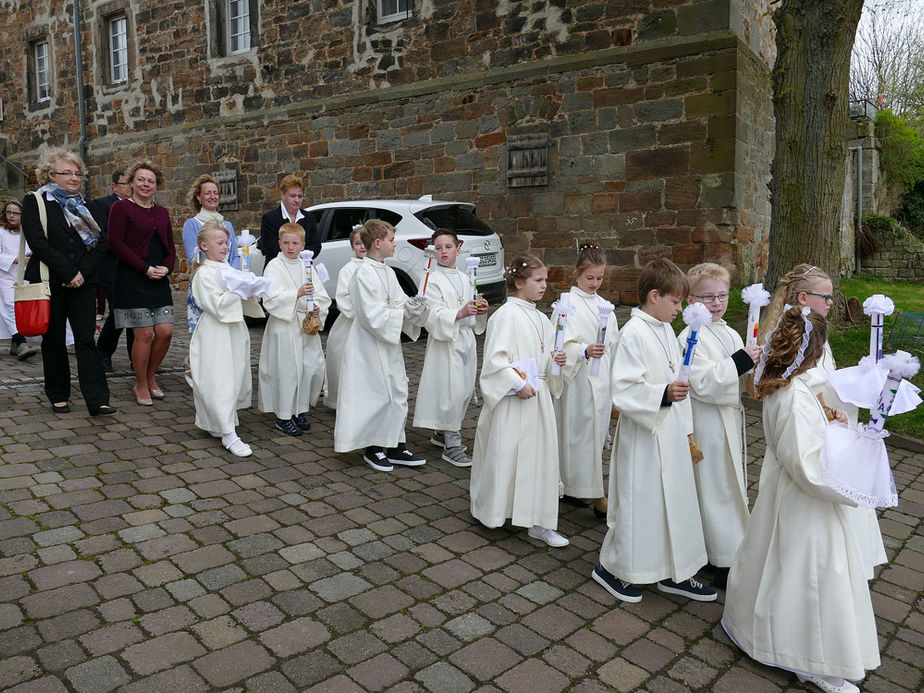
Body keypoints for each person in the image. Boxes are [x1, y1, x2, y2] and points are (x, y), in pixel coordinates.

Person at [723, 306, 878, 693]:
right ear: (815, 349)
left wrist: (832, 420)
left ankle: (762, 628)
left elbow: (810, 432)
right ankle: (810, 659)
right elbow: (807, 466)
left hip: (790, 493)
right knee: (812, 573)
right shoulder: (792, 395)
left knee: (776, 559)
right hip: (803, 499)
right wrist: (855, 482)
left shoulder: (798, 385)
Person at [592, 258, 714, 603]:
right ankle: (615, 568)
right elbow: (624, 388)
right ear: (654, 296)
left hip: (671, 433)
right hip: (644, 437)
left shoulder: (663, 329)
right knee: (640, 503)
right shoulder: (634, 333)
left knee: (673, 503)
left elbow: (680, 380)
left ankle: (673, 570)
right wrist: (661, 394)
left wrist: (687, 430)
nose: (681, 308)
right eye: (676, 302)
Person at [761, 264, 886, 580]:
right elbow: (801, 388)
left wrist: (834, 409)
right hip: (803, 444)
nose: (832, 302)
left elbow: (820, 385)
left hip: (822, 430)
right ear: (804, 297)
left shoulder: (814, 332)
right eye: (826, 297)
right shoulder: (790, 338)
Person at [469, 254, 568, 547]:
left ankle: (539, 520)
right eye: (538, 280)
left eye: (545, 280)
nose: (544, 286)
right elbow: (494, 361)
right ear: (518, 282)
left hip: (538, 401)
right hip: (513, 402)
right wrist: (517, 383)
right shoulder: (505, 316)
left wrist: (555, 360)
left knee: (539, 458)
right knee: (506, 455)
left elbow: (546, 356)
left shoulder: (541, 318)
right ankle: (494, 511)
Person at [677, 263, 760, 588]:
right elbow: (700, 380)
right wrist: (741, 361)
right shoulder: (689, 336)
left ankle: (731, 549)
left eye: (722, 295)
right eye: (707, 296)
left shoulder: (728, 331)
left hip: (727, 415)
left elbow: (737, 370)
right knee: (714, 487)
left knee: (730, 483)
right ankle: (720, 557)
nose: (716, 303)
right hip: (706, 418)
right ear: (690, 300)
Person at [20, 147, 116, 416]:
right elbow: (38, 242)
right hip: (51, 281)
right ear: (50, 174)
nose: (74, 178)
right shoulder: (36, 201)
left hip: (83, 282)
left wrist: (82, 274)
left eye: (78, 173)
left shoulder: (86, 205)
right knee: (54, 340)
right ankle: (58, 394)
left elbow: (101, 243)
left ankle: (98, 399)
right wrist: (68, 273)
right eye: (67, 173)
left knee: (86, 340)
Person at [333, 219, 429, 471]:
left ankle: (396, 444)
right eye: (391, 240)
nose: (394, 244)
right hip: (367, 345)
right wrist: (400, 314)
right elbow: (370, 314)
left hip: (388, 345)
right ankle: (373, 447)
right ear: (378, 243)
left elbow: (397, 301)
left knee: (397, 390)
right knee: (373, 394)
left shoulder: (387, 271)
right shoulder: (361, 273)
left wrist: (412, 308)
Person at [554, 241, 620, 518]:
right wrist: (582, 349)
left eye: (600, 278)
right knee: (576, 436)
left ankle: (579, 486)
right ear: (576, 274)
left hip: (601, 380)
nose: (594, 283)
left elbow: (614, 345)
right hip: (577, 380)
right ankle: (592, 493)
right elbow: (557, 343)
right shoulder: (567, 304)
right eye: (589, 277)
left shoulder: (606, 306)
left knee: (594, 437)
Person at [413, 229, 488, 468]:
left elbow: (471, 305)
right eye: (438, 247)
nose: (443, 251)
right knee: (449, 390)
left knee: (464, 389)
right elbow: (430, 312)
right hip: (446, 341)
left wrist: (479, 309)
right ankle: (451, 444)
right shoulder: (431, 279)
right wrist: (458, 313)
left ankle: (441, 432)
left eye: (447, 247)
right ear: (433, 252)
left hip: (464, 339)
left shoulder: (466, 278)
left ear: (458, 249)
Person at [108, 160, 175, 407]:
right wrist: (144, 268)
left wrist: (167, 268)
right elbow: (116, 243)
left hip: (158, 278)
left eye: (151, 181)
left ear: (157, 185)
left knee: (165, 332)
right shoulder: (121, 208)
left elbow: (170, 247)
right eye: (141, 180)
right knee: (144, 333)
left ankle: (150, 374)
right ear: (132, 182)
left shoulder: (162, 212)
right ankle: (141, 383)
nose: (146, 184)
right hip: (132, 278)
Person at [258, 223, 330, 435]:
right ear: (279, 243)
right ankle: (283, 416)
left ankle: (299, 409)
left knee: (309, 368)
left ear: (303, 245)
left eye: (295, 243)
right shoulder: (274, 266)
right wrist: (296, 294)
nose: (290, 247)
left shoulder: (306, 265)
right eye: (286, 243)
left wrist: (317, 307)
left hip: (305, 326)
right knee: (287, 371)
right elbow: (270, 298)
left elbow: (322, 295)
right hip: (285, 326)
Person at [189, 221, 253, 457]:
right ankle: (228, 433)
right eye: (220, 243)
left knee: (233, 375)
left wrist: (252, 287)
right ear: (204, 246)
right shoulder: (204, 274)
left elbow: (241, 295)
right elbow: (215, 304)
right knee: (219, 378)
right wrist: (238, 289)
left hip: (233, 329)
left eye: (227, 242)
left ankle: (217, 421)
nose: (226, 247)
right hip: (215, 332)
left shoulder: (227, 267)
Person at [90, 170, 132, 371]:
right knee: (119, 311)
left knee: (137, 312)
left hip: (134, 268)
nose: (129, 188)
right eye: (125, 184)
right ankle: (104, 352)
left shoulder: (137, 205)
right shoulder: (102, 204)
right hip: (110, 267)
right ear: (114, 185)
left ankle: (136, 357)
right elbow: (101, 235)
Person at [324, 226, 366, 409]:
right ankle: (343, 402)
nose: (362, 246)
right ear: (352, 246)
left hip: (373, 324)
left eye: (365, 242)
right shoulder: (348, 270)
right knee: (345, 362)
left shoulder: (380, 267)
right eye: (358, 243)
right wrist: (362, 315)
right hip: (352, 323)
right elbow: (342, 297)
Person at [1, 200, 38, 360]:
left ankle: (15, 345)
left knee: (22, 308)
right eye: (8, 212)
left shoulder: (27, 231)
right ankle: (21, 342)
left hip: (24, 275)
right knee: (9, 307)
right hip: (5, 275)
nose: (11, 216)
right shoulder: (1, 231)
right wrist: (14, 259)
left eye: (15, 213)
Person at [258, 174, 321, 264]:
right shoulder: (270, 218)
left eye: (300, 196)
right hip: (277, 269)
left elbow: (316, 245)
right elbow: (269, 247)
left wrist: (299, 256)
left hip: (303, 267)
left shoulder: (309, 218)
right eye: (292, 196)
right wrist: (296, 254)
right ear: (282, 195)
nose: (297, 200)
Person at [181, 174, 240, 269]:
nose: (212, 196)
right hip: (206, 278)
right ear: (199, 197)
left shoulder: (228, 225)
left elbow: (235, 256)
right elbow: (194, 258)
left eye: (215, 193)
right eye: (207, 193)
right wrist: (214, 275)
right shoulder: (191, 224)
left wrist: (231, 274)